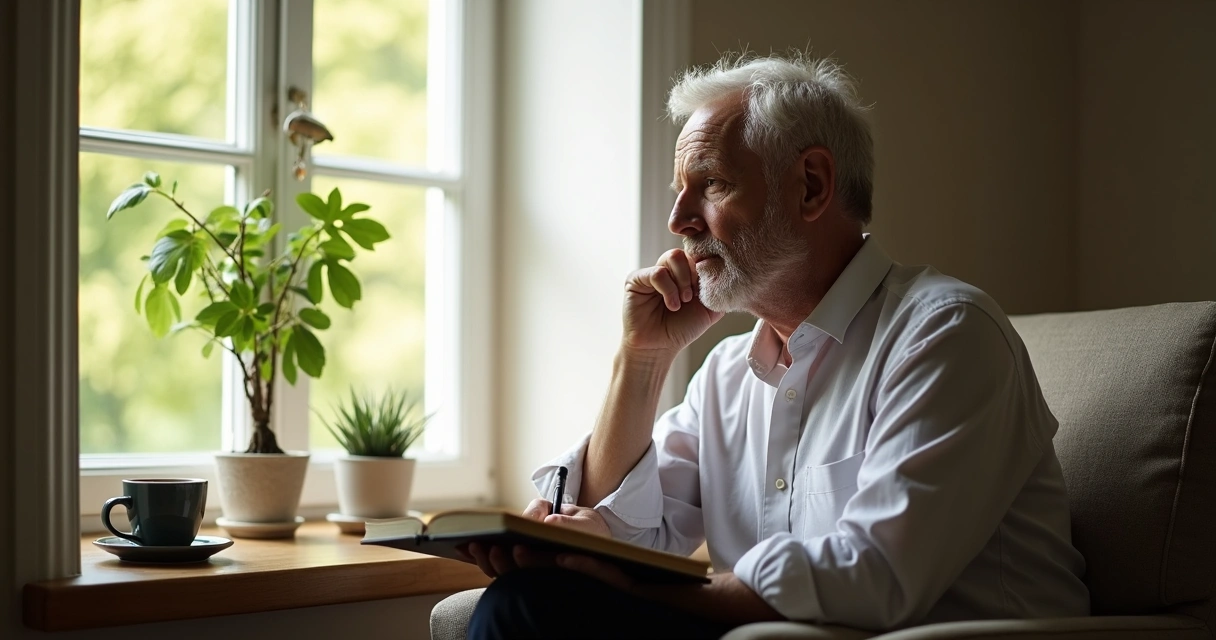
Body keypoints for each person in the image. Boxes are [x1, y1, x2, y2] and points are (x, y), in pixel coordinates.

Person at [464, 52, 1090, 639]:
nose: (678, 220)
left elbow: (877, 578)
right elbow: (623, 532)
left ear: (812, 186)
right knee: (529, 599)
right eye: (679, 191)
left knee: (527, 611)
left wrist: (631, 586)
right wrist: (643, 357)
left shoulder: (946, 334)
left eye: (709, 184)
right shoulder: (726, 377)